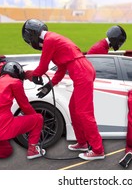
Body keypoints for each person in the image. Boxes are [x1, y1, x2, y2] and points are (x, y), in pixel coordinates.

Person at [22, 19, 105, 161]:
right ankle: (82, 142)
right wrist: (49, 86)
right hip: (82, 70)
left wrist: (31, 75)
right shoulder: (53, 39)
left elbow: (43, 67)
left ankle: (98, 150)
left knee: (85, 113)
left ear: (31, 35)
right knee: (74, 109)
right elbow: (61, 69)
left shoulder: (50, 40)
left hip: (81, 72)